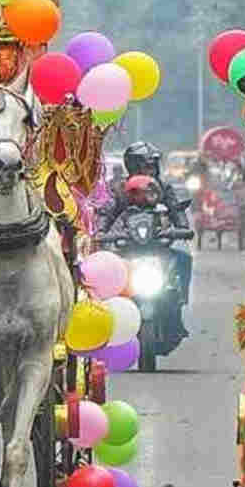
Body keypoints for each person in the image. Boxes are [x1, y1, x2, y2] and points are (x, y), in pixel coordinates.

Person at [98, 141, 194, 340]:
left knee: (184, 256)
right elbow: (109, 212)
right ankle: (105, 313)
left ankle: (180, 298)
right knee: (105, 265)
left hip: (159, 245)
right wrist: (101, 231)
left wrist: (183, 228)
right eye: (146, 164)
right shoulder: (122, 188)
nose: (151, 169)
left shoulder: (163, 187)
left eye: (153, 164)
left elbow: (176, 210)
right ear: (133, 166)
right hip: (127, 246)